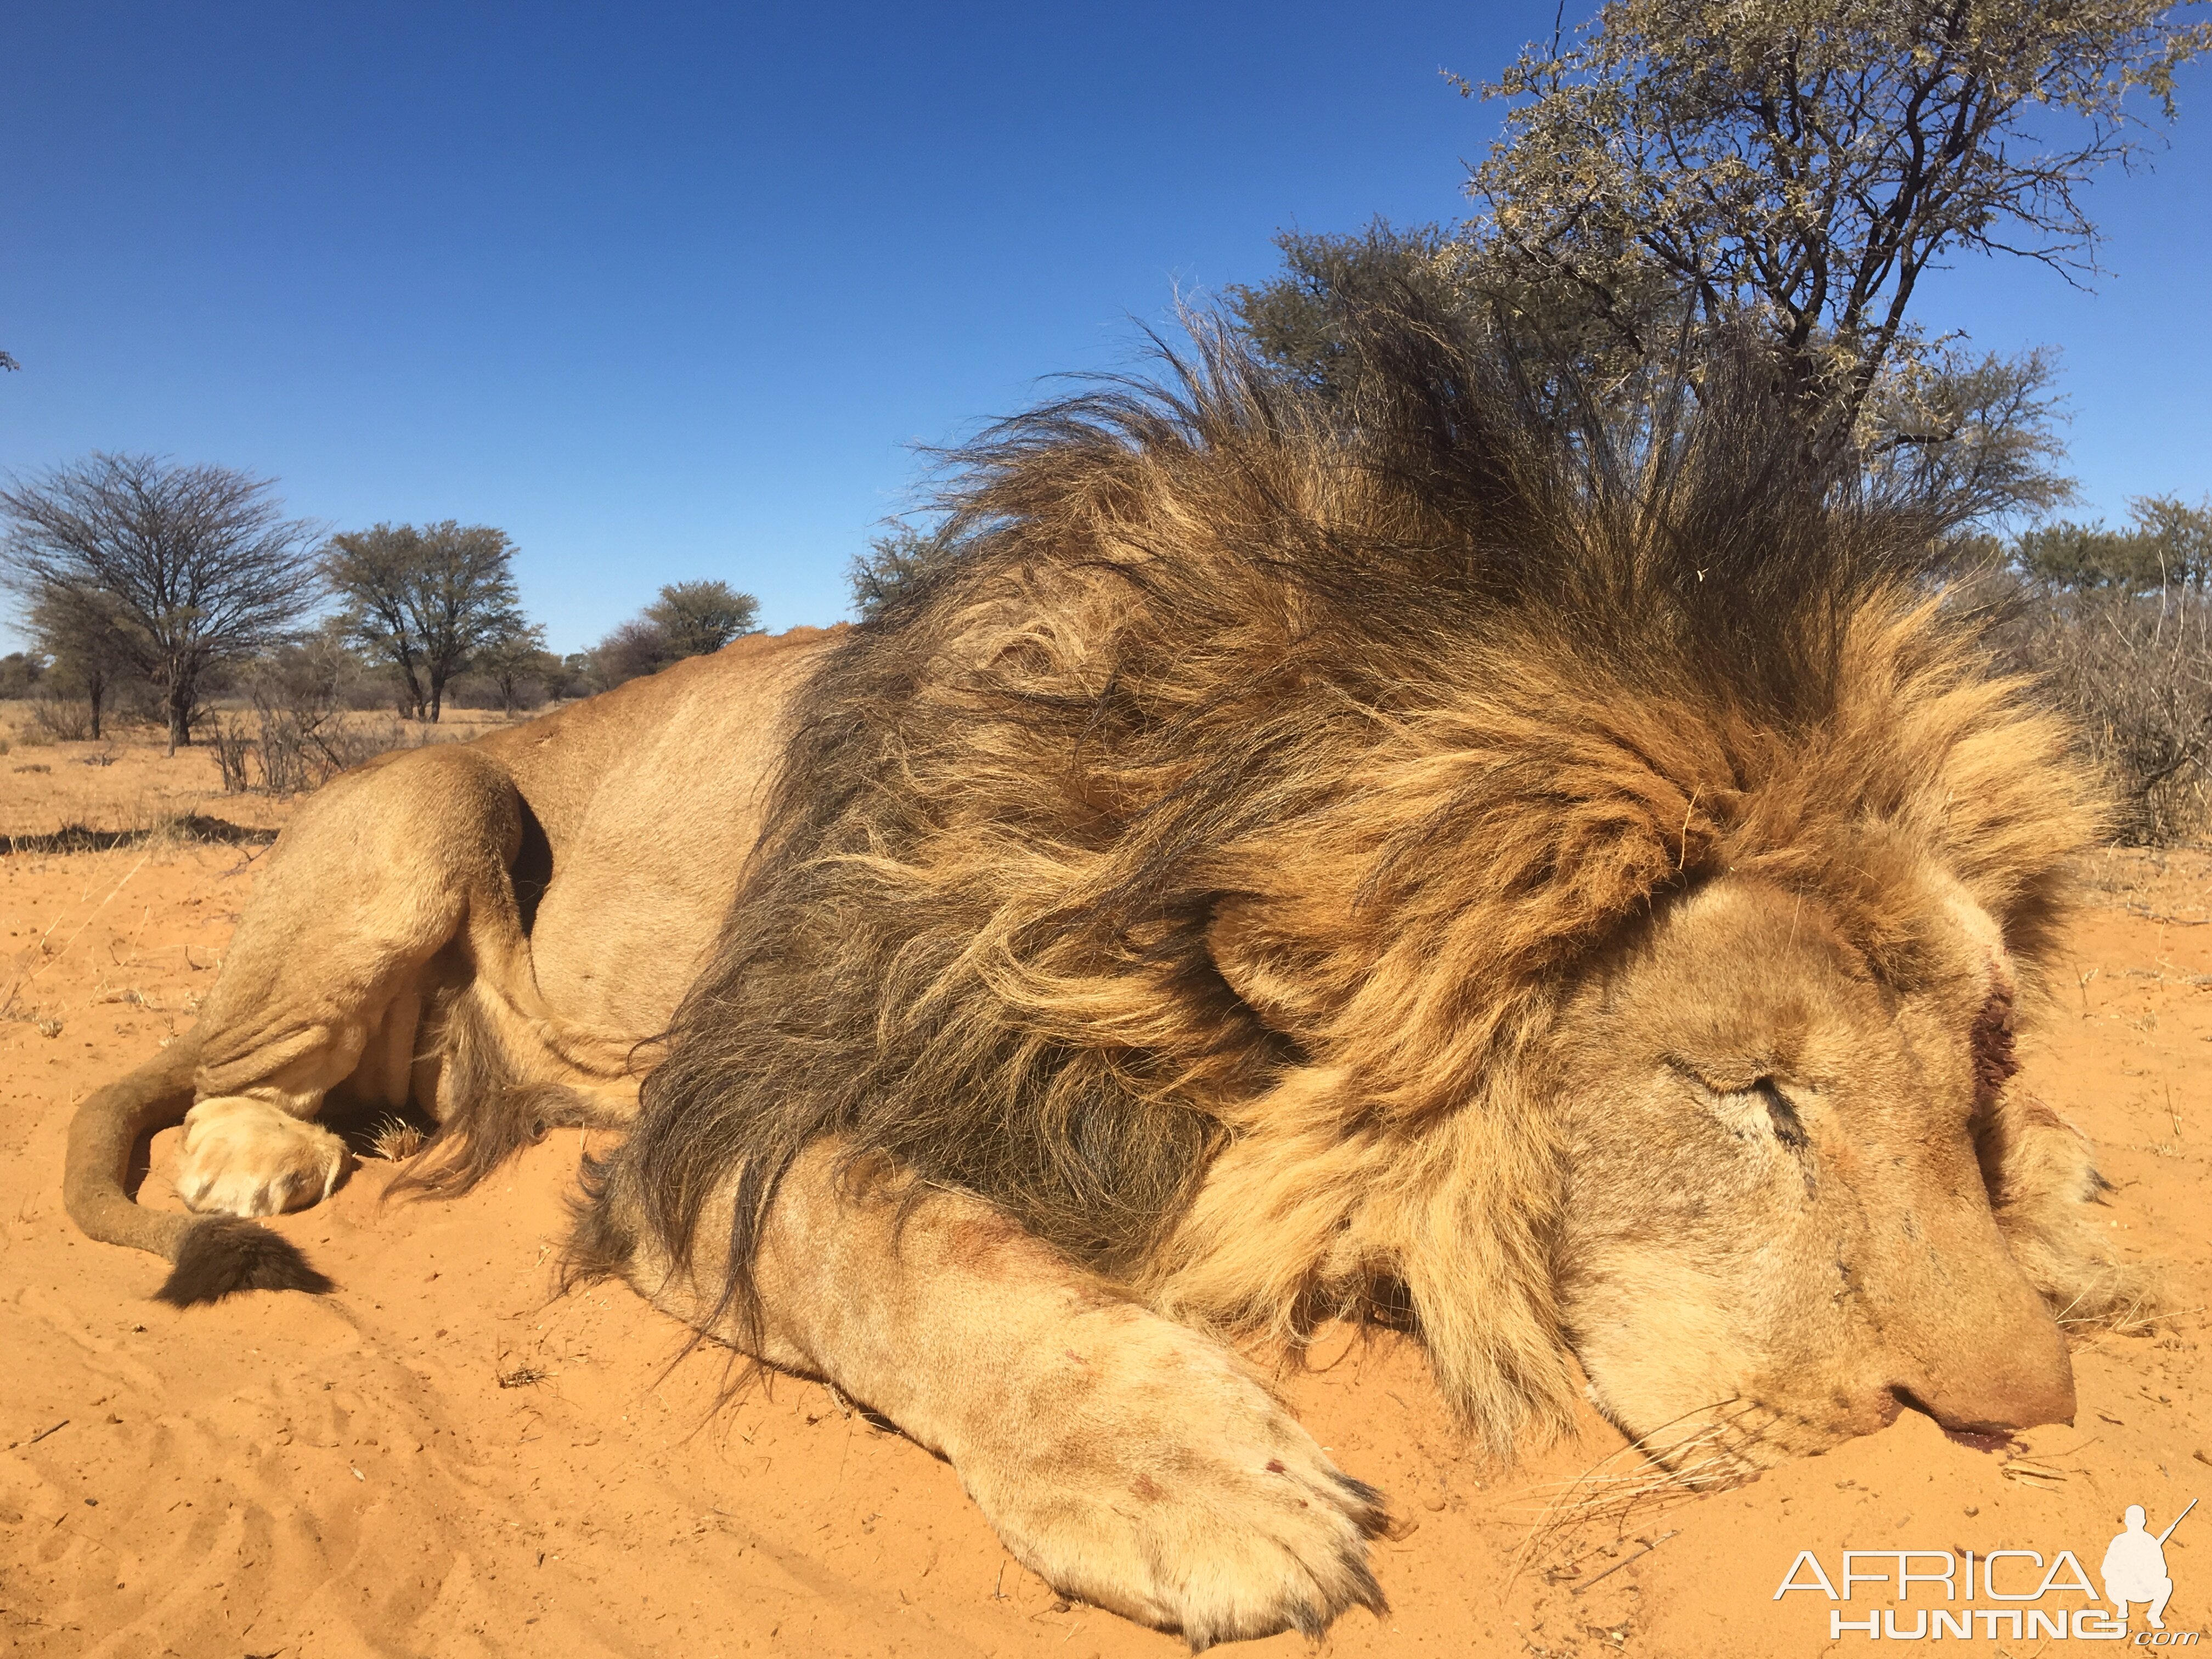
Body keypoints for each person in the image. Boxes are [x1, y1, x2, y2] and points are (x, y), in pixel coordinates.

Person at [2103, 1504, 2177, 1629]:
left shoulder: (2149, 1542)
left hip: (2143, 1590)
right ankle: (2122, 1608)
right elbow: (2106, 1570)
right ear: (2143, 1522)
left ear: (2127, 1522)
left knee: (2166, 1583)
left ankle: (2153, 1615)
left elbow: (2162, 1571)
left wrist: (2145, 1570)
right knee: (2110, 1582)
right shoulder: (2120, 1541)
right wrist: (2124, 1571)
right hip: (2123, 1589)